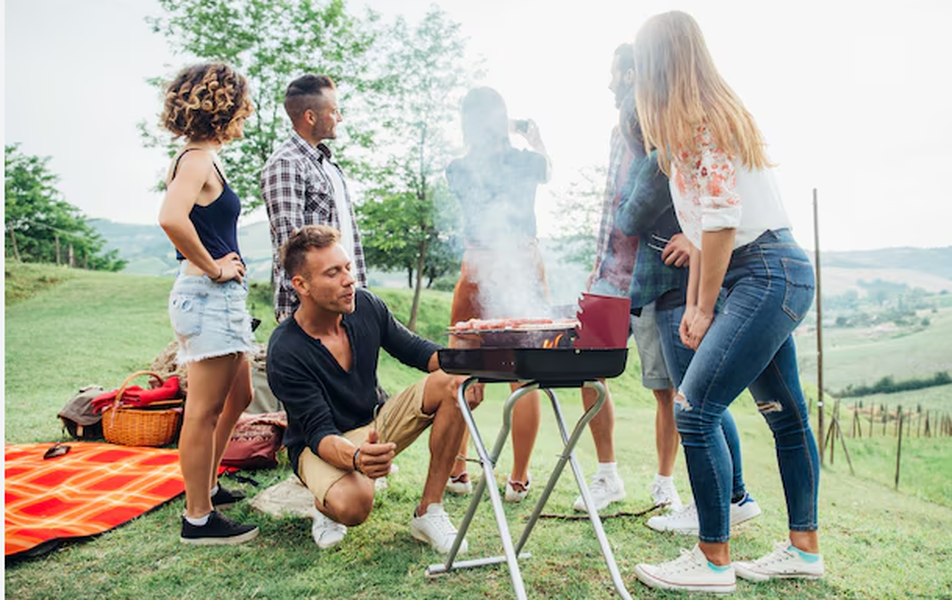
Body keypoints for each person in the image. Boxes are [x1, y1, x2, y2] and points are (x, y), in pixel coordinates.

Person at [630, 11, 822, 593]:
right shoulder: (696, 125)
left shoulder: (701, 122)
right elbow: (700, 233)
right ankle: (803, 550)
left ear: (657, 64)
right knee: (785, 415)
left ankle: (713, 560)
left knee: (694, 409)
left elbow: (721, 223)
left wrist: (703, 308)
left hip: (765, 273)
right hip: (757, 272)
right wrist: (696, 300)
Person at [266, 225, 482, 552]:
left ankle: (429, 511)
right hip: (318, 444)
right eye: (333, 273)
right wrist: (356, 458)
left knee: (456, 382)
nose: (349, 279)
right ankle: (324, 506)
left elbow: (420, 353)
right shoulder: (285, 350)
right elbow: (319, 432)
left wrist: (478, 361)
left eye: (348, 268)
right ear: (302, 285)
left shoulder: (366, 305)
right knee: (355, 505)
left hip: (375, 425)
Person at [614, 91, 762, 536]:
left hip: (672, 291)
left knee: (697, 401)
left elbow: (628, 218)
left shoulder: (657, 160)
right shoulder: (672, 159)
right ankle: (732, 496)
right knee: (701, 399)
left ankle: (726, 498)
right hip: (685, 288)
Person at [157, 62, 259, 545]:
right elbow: (171, 219)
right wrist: (216, 266)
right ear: (221, 106)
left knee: (238, 396)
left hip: (220, 298)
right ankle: (197, 519)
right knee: (202, 410)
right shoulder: (195, 159)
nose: (247, 112)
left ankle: (209, 486)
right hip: (206, 294)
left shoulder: (207, 158)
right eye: (242, 104)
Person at [582, 42, 681, 513]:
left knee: (666, 387)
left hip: (651, 276)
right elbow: (610, 207)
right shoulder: (614, 130)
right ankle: (607, 477)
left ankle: (664, 483)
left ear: (630, 74)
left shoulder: (662, 123)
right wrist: (598, 263)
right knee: (588, 372)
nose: (607, 82)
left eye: (613, 73)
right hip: (609, 275)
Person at [443, 86, 550, 503]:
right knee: (523, 375)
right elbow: (546, 168)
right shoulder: (527, 162)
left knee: (461, 366)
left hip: (476, 263)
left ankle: (457, 471)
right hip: (522, 260)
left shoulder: (457, 168)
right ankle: (518, 480)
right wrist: (528, 134)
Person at [262, 74, 366, 324]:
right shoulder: (286, 164)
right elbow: (291, 247)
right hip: (311, 313)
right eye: (334, 111)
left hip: (346, 302)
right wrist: (302, 317)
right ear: (310, 117)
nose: (339, 118)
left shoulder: (328, 166)